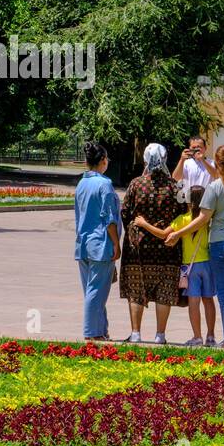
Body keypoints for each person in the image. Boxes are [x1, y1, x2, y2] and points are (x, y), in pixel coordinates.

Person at [167, 145, 224, 348]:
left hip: (222, 245)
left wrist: (178, 233)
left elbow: (202, 219)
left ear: (217, 162)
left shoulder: (215, 187)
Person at [135, 185, 217, 345]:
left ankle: (197, 337)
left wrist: (144, 224)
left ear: (188, 201)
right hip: (207, 264)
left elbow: (163, 234)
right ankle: (211, 336)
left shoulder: (183, 220)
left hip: (190, 267)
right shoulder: (207, 219)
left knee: (194, 302)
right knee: (209, 300)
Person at [119, 143, 184, 343]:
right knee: (164, 290)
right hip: (167, 246)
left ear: (146, 160)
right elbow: (182, 214)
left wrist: (136, 228)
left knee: (136, 288)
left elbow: (125, 212)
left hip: (137, 246)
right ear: (164, 159)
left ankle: (136, 333)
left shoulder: (136, 184)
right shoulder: (175, 186)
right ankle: (160, 335)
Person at [73, 142, 121, 341]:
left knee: (92, 291)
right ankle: (92, 333)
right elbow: (109, 218)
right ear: (103, 161)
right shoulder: (104, 184)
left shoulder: (81, 184)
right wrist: (116, 243)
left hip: (83, 244)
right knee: (97, 292)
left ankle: (101, 330)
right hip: (101, 244)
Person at [171, 135, 215, 200]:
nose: (196, 149)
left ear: (205, 148)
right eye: (193, 147)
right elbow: (175, 178)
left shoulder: (212, 163)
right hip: (189, 200)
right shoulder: (186, 163)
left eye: (199, 147)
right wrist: (181, 160)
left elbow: (216, 175)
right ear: (189, 148)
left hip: (207, 200)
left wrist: (202, 160)